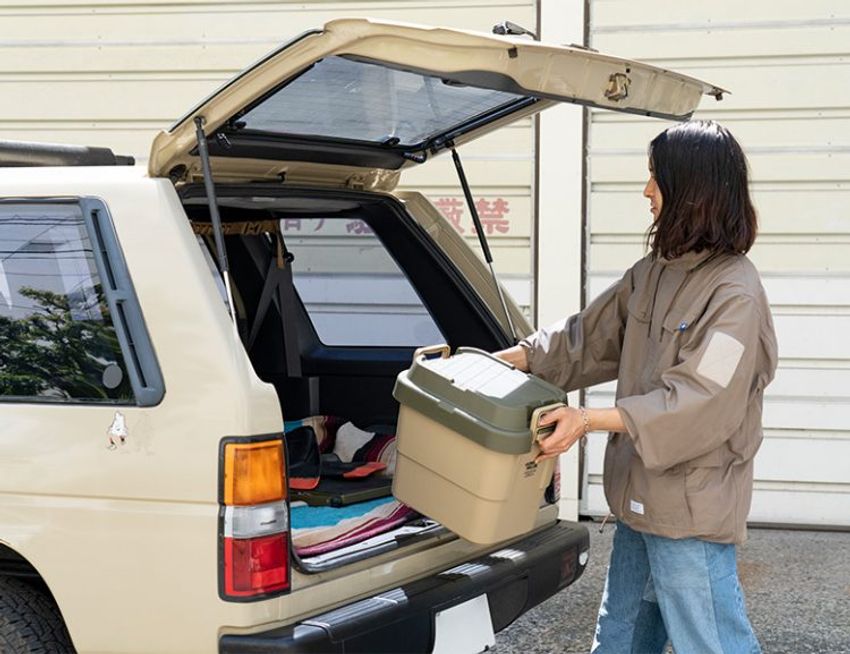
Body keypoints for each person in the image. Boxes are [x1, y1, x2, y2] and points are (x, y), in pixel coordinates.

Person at [497, 120, 778, 654]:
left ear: (692, 190)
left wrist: (587, 420)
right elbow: (588, 336)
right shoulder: (654, 272)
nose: (646, 191)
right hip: (639, 498)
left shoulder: (735, 294)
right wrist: (513, 359)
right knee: (621, 638)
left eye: (656, 179)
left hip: (689, 512)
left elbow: (701, 401)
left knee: (711, 641)